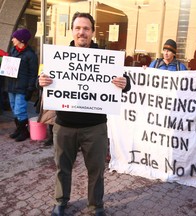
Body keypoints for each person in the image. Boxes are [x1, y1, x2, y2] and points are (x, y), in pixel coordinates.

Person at [38, 12, 131, 216]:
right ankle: (60, 202)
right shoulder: (58, 57)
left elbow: (125, 82)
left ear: (93, 32)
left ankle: (95, 206)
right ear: (72, 31)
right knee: (62, 168)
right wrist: (41, 82)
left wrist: (125, 84)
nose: (82, 32)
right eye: (78, 28)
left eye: (86, 28)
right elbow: (44, 81)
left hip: (95, 126)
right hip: (64, 125)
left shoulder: (106, 58)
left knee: (96, 171)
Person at [7, 28, 38, 142]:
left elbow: (33, 74)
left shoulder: (30, 55)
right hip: (11, 86)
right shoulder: (13, 50)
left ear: (21, 40)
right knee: (14, 109)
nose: (12, 40)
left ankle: (24, 131)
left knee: (20, 110)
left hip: (22, 87)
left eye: (14, 38)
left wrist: (30, 89)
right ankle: (19, 129)